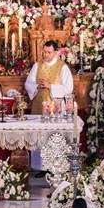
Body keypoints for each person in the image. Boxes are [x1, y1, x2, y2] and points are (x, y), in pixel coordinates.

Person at [25, 40, 74, 171]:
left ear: (56, 52)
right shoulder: (37, 65)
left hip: (55, 107)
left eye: (49, 52)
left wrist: (50, 86)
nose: (46, 55)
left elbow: (68, 88)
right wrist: (36, 86)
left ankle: (54, 166)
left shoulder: (62, 67)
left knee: (53, 135)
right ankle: (39, 167)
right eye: (44, 52)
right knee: (39, 135)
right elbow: (28, 83)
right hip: (38, 106)